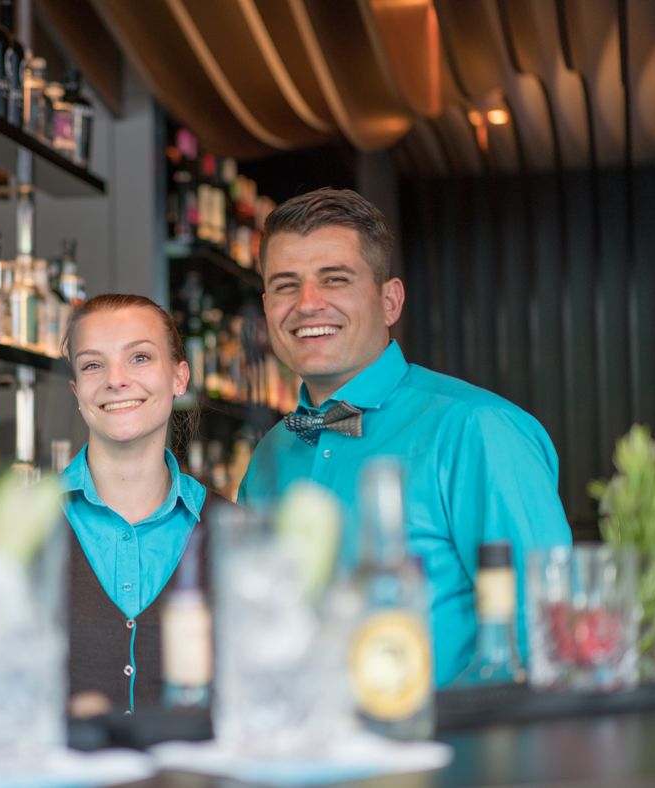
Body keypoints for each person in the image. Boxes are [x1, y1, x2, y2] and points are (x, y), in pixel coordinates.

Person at [237, 187, 571, 687]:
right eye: (286, 285)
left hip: (450, 736)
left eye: (335, 279)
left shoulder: (476, 429)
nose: (307, 304)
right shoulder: (270, 454)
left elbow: (545, 632)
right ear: (267, 308)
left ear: (389, 300)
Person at [60, 293, 217, 713]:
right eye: (92, 365)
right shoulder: (25, 530)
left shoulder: (231, 531)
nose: (116, 380)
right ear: (77, 391)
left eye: (140, 358)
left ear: (179, 378)